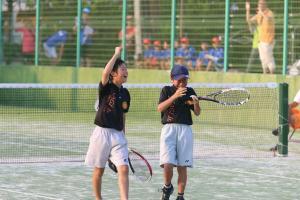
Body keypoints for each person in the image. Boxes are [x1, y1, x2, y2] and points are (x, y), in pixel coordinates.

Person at [85, 46, 130, 200]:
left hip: (118, 135)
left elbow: (123, 115)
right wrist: (116, 54)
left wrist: (124, 136)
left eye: (126, 69)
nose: (126, 71)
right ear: (114, 73)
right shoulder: (106, 87)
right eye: (122, 69)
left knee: (124, 169)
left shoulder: (125, 93)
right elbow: (105, 73)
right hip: (101, 133)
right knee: (99, 171)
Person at [158, 65, 201, 200]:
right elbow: (160, 108)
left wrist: (196, 103)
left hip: (185, 130)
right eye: (179, 80)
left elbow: (197, 113)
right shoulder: (166, 90)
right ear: (172, 79)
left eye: (185, 80)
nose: (182, 83)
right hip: (168, 130)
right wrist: (175, 95)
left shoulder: (190, 91)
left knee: (182, 166)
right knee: (167, 163)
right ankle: (167, 186)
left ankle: (180, 196)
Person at [246, 0, 276, 74]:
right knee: (262, 59)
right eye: (259, 4)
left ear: (265, 5)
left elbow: (268, 19)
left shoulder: (269, 13)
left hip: (268, 40)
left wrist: (261, 12)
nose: (260, 5)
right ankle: (265, 74)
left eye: (261, 4)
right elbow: (249, 20)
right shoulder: (259, 14)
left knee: (268, 58)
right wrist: (248, 10)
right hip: (261, 40)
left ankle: (272, 74)